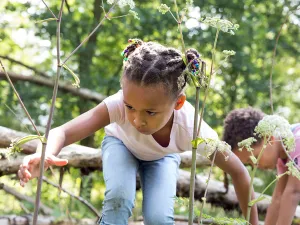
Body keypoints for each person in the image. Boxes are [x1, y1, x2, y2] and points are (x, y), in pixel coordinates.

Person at [18, 39, 258, 225]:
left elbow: (240, 174)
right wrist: (43, 152)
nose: (137, 120)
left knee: (158, 218)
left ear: (178, 103)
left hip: (163, 158)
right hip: (120, 145)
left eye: (150, 113)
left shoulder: (192, 129)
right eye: (130, 107)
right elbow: (63, 131)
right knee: (119, 198)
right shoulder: (117, 104)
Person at [223, 107, 300, 225]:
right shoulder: (282, 155)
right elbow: (278, 198)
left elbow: (293, 192)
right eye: (248, 163)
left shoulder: (297, 141)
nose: (255, 165)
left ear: (269, 139)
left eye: (254, 157)